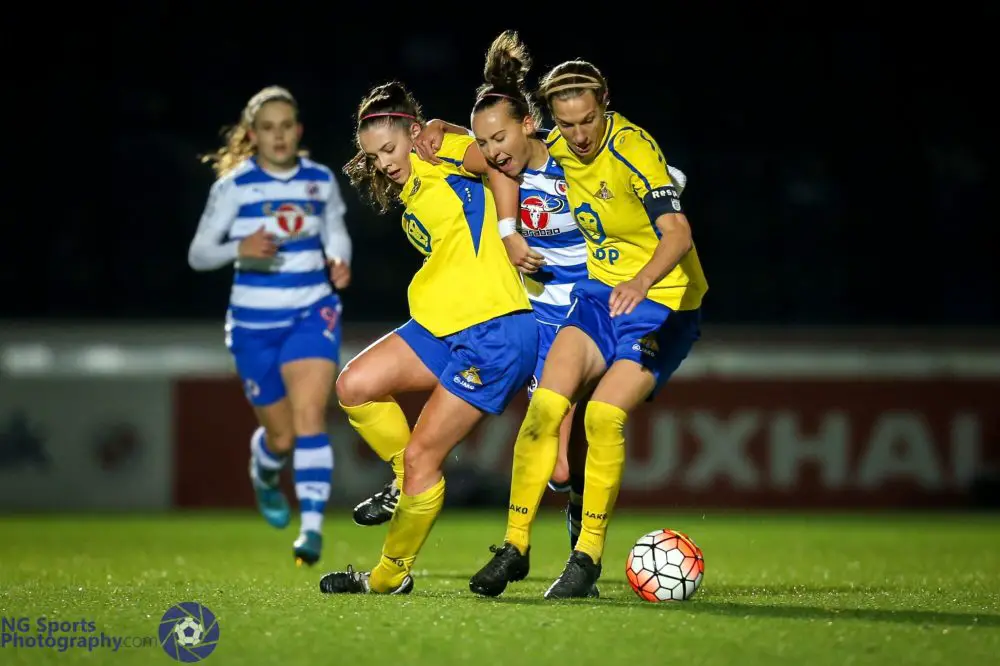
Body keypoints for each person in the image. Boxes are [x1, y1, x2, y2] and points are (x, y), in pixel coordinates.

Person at [408, 34, 690, 578]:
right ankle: (536, 531)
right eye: (486, 142)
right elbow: (473, 151)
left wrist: (662, 192)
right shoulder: (505, 159)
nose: (492, 152)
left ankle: (572, 534)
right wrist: (438, 131)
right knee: (558, 457)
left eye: (499, 138)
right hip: (542, 318)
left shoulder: (571, 159)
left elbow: (632, 191)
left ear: (531, 126)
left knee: (575, 437)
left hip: (593, 305)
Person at [469, 56, 709, 599]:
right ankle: (514, 546)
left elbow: (678, 232)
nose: (579, 134)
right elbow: (499, 158)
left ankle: (586, 558)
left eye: (588, 120)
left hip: (663, 301)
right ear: (549, 118)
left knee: (601, 416)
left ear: (605, 106)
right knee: (545, 408)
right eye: (567, 123)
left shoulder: (633, 148)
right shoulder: (552, 143)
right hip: (601, 295)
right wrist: (439, 134)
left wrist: (642, 281)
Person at [318, 81, 538, 595]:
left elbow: (503, 159)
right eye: (374, 155)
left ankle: (388, 575)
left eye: (390, 148)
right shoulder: (412, 187)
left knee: (424, 459)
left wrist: (455, 132)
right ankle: (402, 483)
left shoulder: (442, 149)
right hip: (441, 324)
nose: (385, 162)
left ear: (414, 132)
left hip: (496, 329)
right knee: (354, 386)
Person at [188, 85, 352, 566]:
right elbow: (199, 254)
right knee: (280, 439)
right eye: (268, 128)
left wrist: (338, 257)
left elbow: (336, 228)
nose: (278, 136)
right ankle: (264, 472)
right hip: (253, 325)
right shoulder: (234, 186)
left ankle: (313, 531)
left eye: (286, 127)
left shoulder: (319, 181)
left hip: (312, 313)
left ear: (297, 131)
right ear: (252, 135)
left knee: (309, 421)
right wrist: (239, 249)